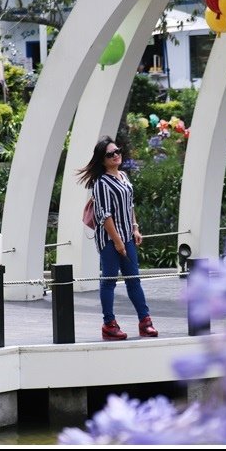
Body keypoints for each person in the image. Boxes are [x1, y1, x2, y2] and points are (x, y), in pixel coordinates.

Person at [76, 136, 158, 340]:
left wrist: (135, 228)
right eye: (110, 154)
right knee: (109, 280)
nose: (116, 156)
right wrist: (118, 241)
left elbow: (129, 206)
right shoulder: (101, 183)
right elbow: (105, 215)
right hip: (109, 240)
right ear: (102, 159)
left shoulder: (123, 176)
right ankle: (109, 324)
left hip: (127, 237)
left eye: (117, 151)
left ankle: (145, 321)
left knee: (133, 279)